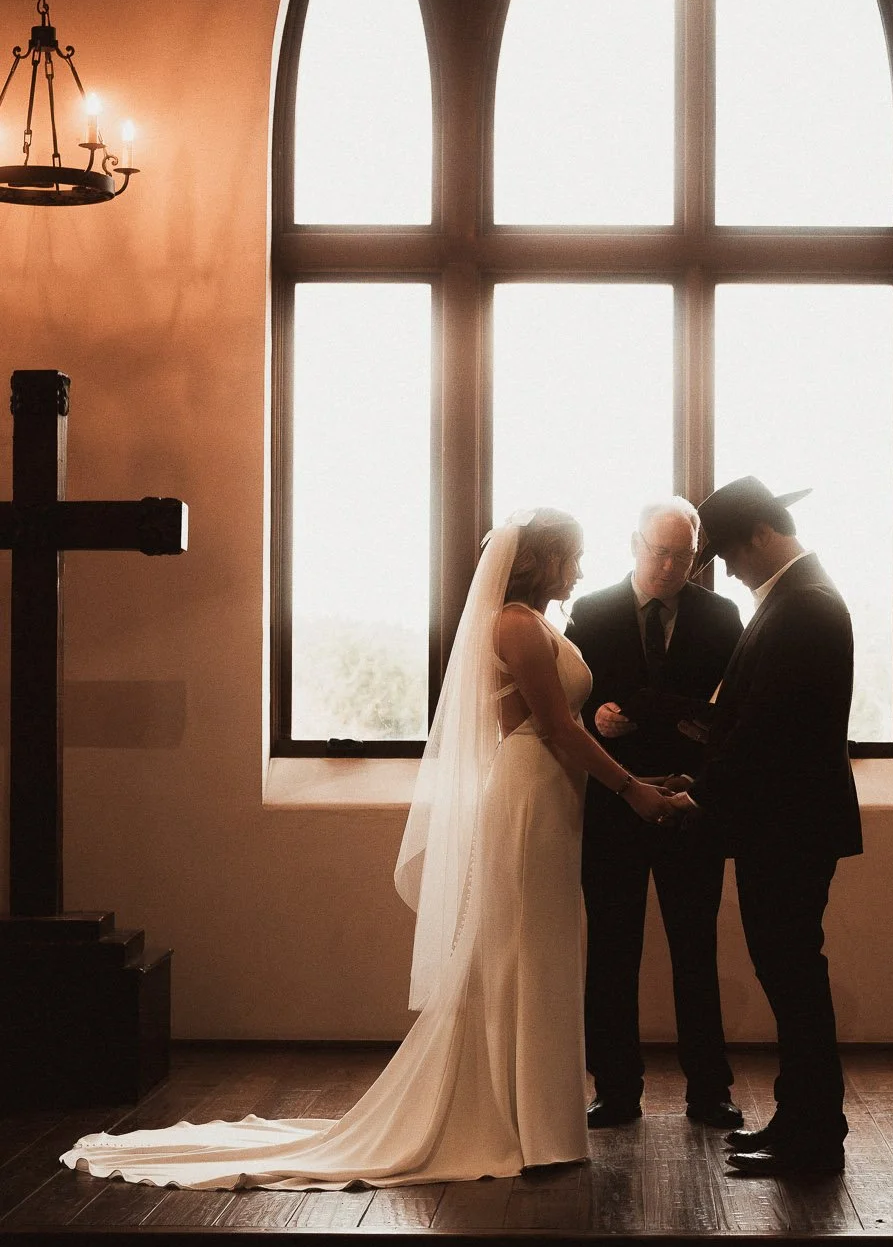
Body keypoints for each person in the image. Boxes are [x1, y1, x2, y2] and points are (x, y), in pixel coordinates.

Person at [60, 510, 690, 1191]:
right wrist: (631, 791)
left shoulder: (537, 624)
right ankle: (520, 1122)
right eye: (572, 556)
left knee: (540, 946)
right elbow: (559, 729)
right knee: (520, 947)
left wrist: (639, 781)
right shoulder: (513, 624)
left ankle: (535, 1117)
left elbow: (564, 735)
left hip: (554, 797)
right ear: (541, 560)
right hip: (529, 797)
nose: (581, 569)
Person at [684, 477, 862, 1181]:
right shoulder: (795, 599)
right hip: (782, 825)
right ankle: (802, 1121)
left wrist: (699, 794)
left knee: (794, 980)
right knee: (791, 978)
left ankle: (814, 1134)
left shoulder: (805, 606)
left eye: (728, 555)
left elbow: (767, 731)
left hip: (787, 829)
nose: (727, 571)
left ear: (761, 536)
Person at [565, 497, 744, 1130]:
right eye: (657, 551)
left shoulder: (723, 616)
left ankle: (709, 1092)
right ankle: (614, 1089)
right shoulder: (591, 611)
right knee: (612, 950)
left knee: (696, 949)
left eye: (683, 555)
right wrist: (601, 719)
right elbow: (569, 708)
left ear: (697, 555)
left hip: (690, 800)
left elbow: (732, 710)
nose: (669, 566)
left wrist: (681, 727)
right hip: (615, 801)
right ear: (634, 544)